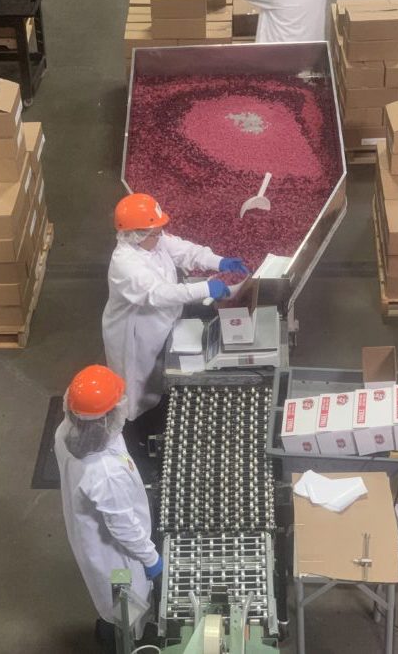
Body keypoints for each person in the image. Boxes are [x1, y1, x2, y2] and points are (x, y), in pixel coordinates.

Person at [102, 192, 248, 423]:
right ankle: (132, 423)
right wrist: (205, 289)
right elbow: (160, 294)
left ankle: (156, 403)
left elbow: (184, 250)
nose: (160, 236)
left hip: (163, 319)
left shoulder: (152, 241)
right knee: (136, 380)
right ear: (136, 234)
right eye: (155, 232)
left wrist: (218, 261)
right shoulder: (125, 265)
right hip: (136, 331)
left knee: (158, 372)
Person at [55, 365, 163, 651]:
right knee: (128, 603)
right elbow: (123, 527)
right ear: (107, 417)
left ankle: (110, 627)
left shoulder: (68, 432)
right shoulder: (104, 472)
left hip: (87, 533)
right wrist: (151, 559)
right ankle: (121, 643)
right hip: (115, 555)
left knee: (112, 602)